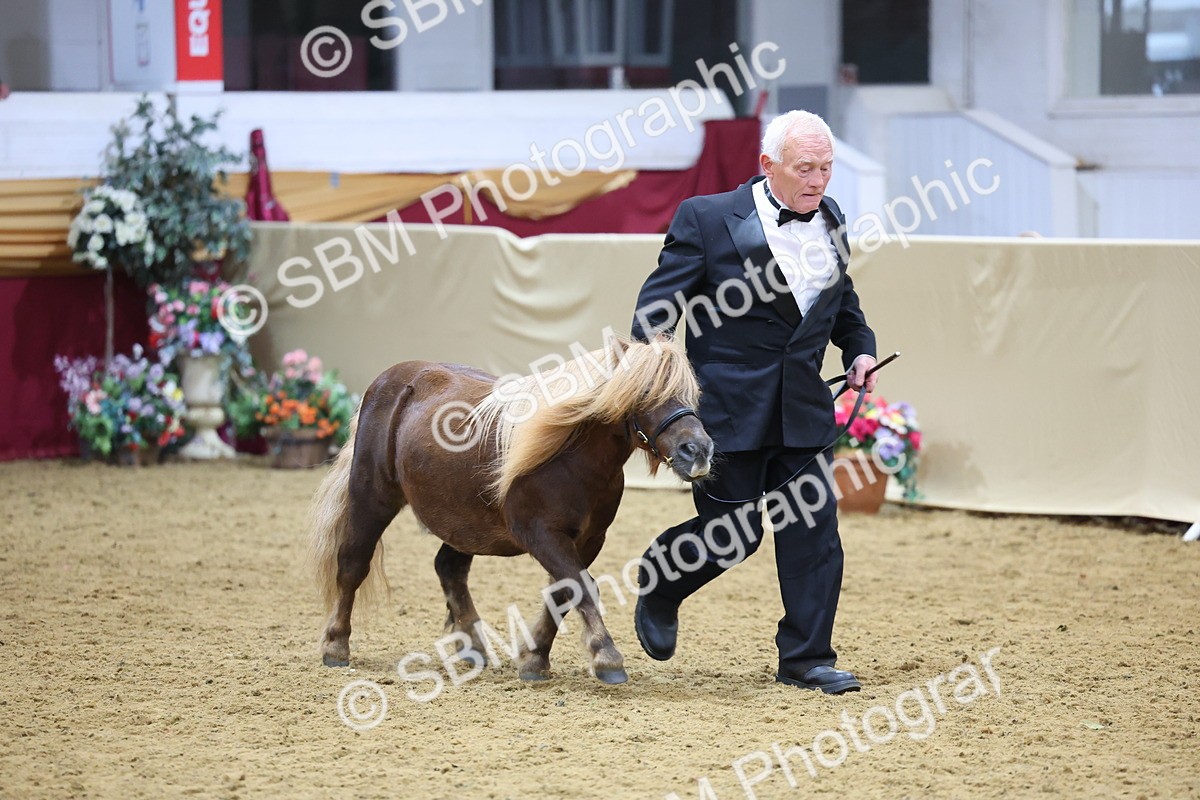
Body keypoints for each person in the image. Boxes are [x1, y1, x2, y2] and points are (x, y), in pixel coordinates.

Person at [629, 110, 878, 694]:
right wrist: (657, 368)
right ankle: (662, 581)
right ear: (768, 164)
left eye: (826, 168)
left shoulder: (832, 219)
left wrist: (860, 348)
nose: (818, 180)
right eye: (805, 168)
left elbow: (842, 303)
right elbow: (657, 309)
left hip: (803, 411)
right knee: (734, 537)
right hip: (727, 411)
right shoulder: (706, 217)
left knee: (815, 535)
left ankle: (806, 659)